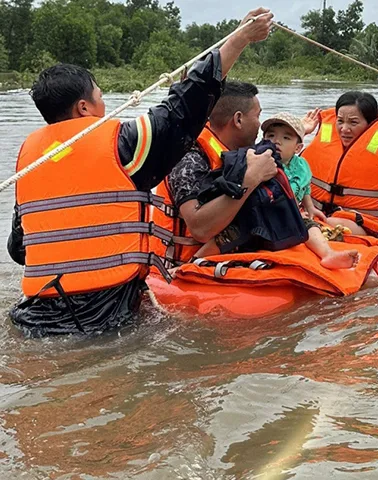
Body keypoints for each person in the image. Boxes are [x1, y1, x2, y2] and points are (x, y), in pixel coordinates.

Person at [7, 8, 274, 337]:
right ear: (84, 108)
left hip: (32, 318)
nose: (104, 106)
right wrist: (238, 40)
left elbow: (19, 250)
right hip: (103, 318)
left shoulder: (28, 160)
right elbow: (182, 109)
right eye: (101, 97)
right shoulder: (122, 144)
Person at [154, 86, 358, 269]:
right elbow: (200, 229)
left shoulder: (240, 151)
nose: (260, 125)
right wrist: (251, 178)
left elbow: (279, 147)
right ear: (238, 119)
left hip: (236, 247)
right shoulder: (189, 158)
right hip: (186, 263)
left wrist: (301, 130)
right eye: (258, 116)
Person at [302, 91, 378, 265]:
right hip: (315, 215)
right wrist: (300, 133)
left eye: (353, 122)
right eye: (340, 121)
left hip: (360, 223)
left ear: (369, 124)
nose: (344, 129)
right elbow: (286, 171)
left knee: (331, 223)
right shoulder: (321, 145)